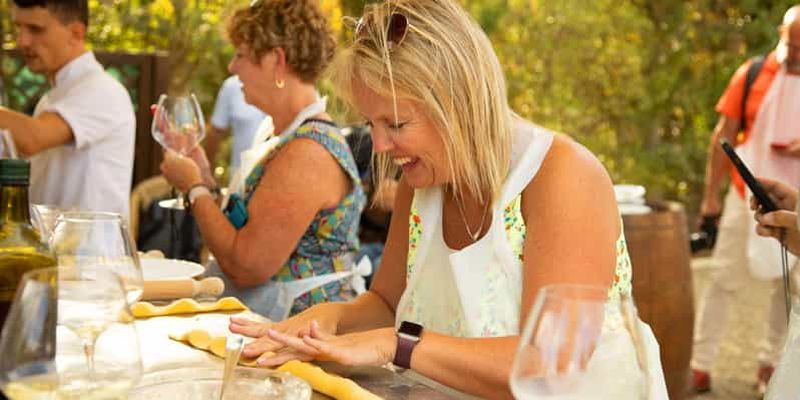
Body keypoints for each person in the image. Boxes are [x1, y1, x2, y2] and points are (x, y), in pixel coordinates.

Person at [226, 1, 668, 398]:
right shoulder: (422, 179)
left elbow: (549, 367)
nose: (379, 145)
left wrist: (398, 344)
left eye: (396, 124)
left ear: (458, 102)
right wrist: (332, 318)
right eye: (371, 123)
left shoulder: (561, 175)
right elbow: (386, 304)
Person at [160, 0, 366, 321]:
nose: (232, 67)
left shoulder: (308, 151)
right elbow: (246, 227)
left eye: (240, 55)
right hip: (272, 326)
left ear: (277, 60)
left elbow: (246, 266)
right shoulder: (279, 134)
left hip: (300, 334)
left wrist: (194, 188)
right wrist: (205, 177)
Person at [692, 5, 800, 394]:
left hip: (797, 198)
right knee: (724, 277)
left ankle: (771, 364)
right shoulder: (752, 73)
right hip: (747, 193)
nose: (795, 54)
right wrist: (710, 197)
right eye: (791, 44)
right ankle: (700, 364)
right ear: (781, 34)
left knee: (788, 287)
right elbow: (723, 135)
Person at [0, 0, 135, 218]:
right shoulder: (51, 100)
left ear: (75, 33)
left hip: (91, 241)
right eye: (19, 28)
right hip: (54, 238)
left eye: (35, 29)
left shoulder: (102, 90)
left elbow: (34, 138)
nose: (22, 41)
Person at [205, 75, 267, 175]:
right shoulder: (232, 85)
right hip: (240, 175)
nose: (231, 68)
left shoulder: (289, 85)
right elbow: (215, 131)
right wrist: (207, 173)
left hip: (279, 174)